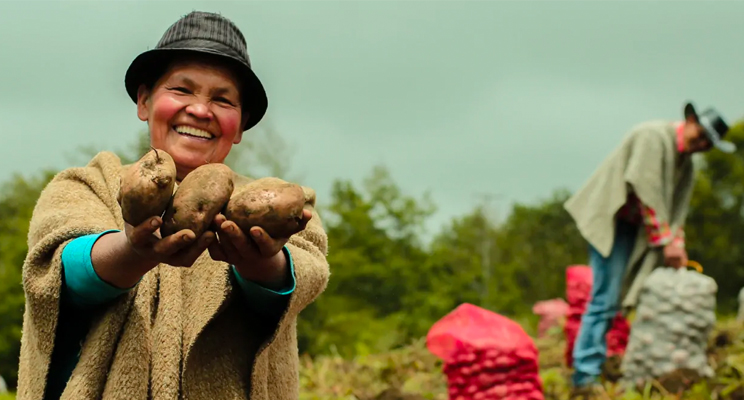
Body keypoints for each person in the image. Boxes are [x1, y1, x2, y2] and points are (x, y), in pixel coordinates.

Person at [16, 11, 330, 400]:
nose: (200, 110)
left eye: (222, 99)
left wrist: (261, 265)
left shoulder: (281, 201)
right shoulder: (88, 183)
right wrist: (131, 250)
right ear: (144, 101)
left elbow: (306, 271)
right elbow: (58, 274)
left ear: (241, 124)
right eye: (182, 90)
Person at [563, 102, 736, 394]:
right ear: (690, 120)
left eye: (709, 143)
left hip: (636, 229)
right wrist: (666, 241)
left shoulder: (687, 164)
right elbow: (646, 191)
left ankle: (606, 363)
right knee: (604, 299)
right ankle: (584, 376)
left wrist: (677, 243)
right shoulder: (652, 137)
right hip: (612, 221)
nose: (703, 144)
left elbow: (676, 209)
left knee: (622, 297)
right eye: (702, 135)